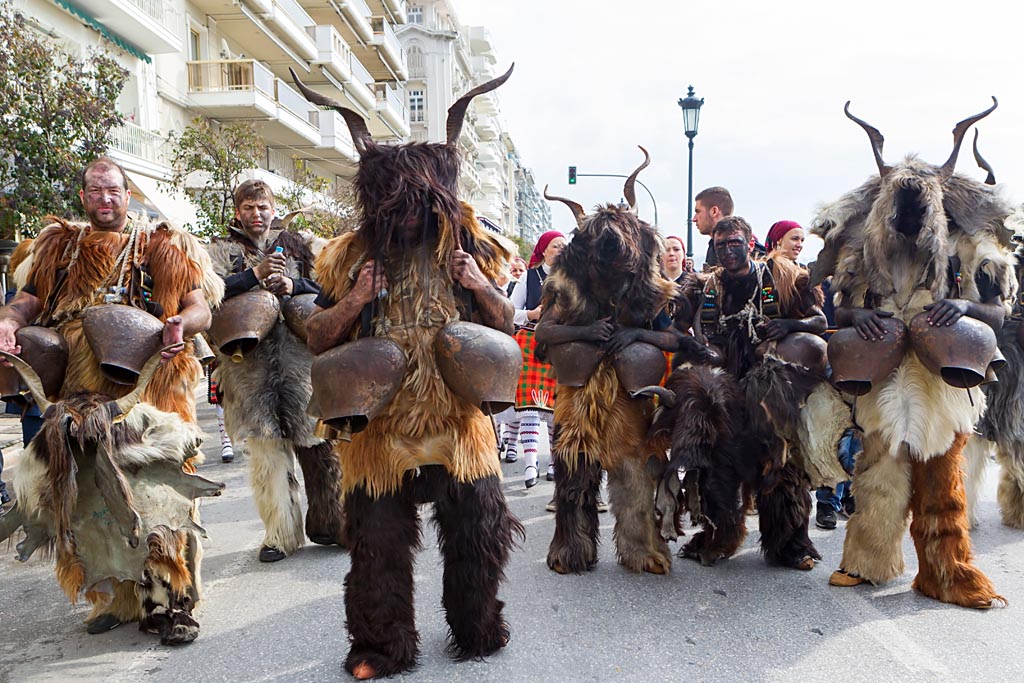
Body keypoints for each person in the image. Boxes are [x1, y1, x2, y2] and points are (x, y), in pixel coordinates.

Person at [296, 65, 521, 678]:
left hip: (457, 423)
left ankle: (478, 626)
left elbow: (506, 324)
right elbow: (316, 336)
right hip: (378, 428)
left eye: (420, 204)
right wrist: (354, 299)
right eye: (396, 206)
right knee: (376, 545)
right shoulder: (348, 255)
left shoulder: (472, 245)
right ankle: (380, 645)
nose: (409, 218)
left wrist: (479, 284)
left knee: (478, 533)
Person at [0, 156, 223, 642]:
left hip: (150, 385)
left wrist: (180, 324)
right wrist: (9, 322)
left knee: (156, 491)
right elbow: (28, 301)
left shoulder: (161, 245)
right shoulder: (58, 248)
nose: (105, 198)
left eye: (114, 190)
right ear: (84, 196)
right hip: (79, 392)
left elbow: (199, 306)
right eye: (96, 190)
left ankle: (171, 602)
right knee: (87, 491)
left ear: (127, 194)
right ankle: (114, 599)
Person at [673, 215, 843, 569]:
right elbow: (676, 330)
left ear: (750, 244)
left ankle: (790, 546)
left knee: (780, 466)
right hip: (723, 391)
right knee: (717, 467)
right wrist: (697, 348)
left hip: (771, 391)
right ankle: (719, 537)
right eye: (721, 245)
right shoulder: (704, 287)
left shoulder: (783, 278)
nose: (728, 251)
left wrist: (789, 324)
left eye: (735, 243)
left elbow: (819, 322)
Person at [537, 159, 681, 576]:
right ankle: (571, 548)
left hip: (628, 395)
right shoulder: (568, 287)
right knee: (574, 473)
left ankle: (641, 549)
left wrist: (634, 334)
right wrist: (585, 330)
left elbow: (672, 338)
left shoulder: (645, 291)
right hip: (578, 394)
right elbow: (544, 332)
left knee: (634, 472)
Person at [206, 179, 345, 562]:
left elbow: (331, 289)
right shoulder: (219, 252)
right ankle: (280, 535)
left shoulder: (301, 245)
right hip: (247, 368)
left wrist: (293, 283)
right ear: (238, 212)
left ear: (273, 209)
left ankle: (333, 522)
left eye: (263, 207)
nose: (257, 214)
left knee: (320, 446)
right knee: (267, 454)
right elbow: (208, 293)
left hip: (301, 363)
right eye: (249, 208)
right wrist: (253, 276)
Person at [509, 231, 563, 488]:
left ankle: (553, 461)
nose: (561, 249)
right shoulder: (529, 277)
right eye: (556, 245)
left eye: (564, 246)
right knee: (529, 406)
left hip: (559, 344)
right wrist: (530, 314)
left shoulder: (571, 277)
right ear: (543, 250)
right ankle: (531, 462)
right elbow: (509, 311)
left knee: (556, 407)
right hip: (530, 341)